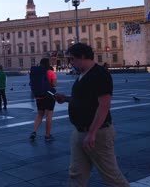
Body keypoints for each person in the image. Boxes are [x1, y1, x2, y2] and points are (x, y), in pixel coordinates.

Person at [55, 43, 129, 186]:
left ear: (82, 57)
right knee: (76, 174)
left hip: (97, 134)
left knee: (111, 177)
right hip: (80, 132)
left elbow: (104, 105)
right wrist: (66, 99)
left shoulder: (100, 74)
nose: (70, 63)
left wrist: (92, 133)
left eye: (72, 59)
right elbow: (84, 100)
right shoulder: (83, 75)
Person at [29, 58, 57, 142]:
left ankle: (34, 132)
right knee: (49, 116)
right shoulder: (50, 72)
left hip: (39, 96)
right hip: (49, 96)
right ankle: (47, 135)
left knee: (40, 114)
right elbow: (54, 84)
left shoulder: (37, 72)